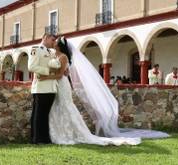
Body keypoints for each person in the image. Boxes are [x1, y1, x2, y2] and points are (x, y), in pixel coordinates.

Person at [39, 36, 169, 145]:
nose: (53, 42)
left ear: (60, 46)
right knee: (58, 107)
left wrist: (45, 77)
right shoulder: (54, 55)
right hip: (57, 84)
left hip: (61, 84)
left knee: (65, 106)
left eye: (56, 42)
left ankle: (68, 133)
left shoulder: (63, 57)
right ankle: (59, 131)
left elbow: (61, 74)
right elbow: (64, 71)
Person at [27, 32, 60, 144]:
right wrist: (48, 71)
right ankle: (36, 139)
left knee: (45, 115)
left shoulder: (51, 52)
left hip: (51, 87)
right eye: (52, 40)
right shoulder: (36, 49)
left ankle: (45, 138)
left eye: (55, 40)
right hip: (40, 87)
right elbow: (31, 67)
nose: (54, 42)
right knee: (38, 114)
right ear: (45, 38)